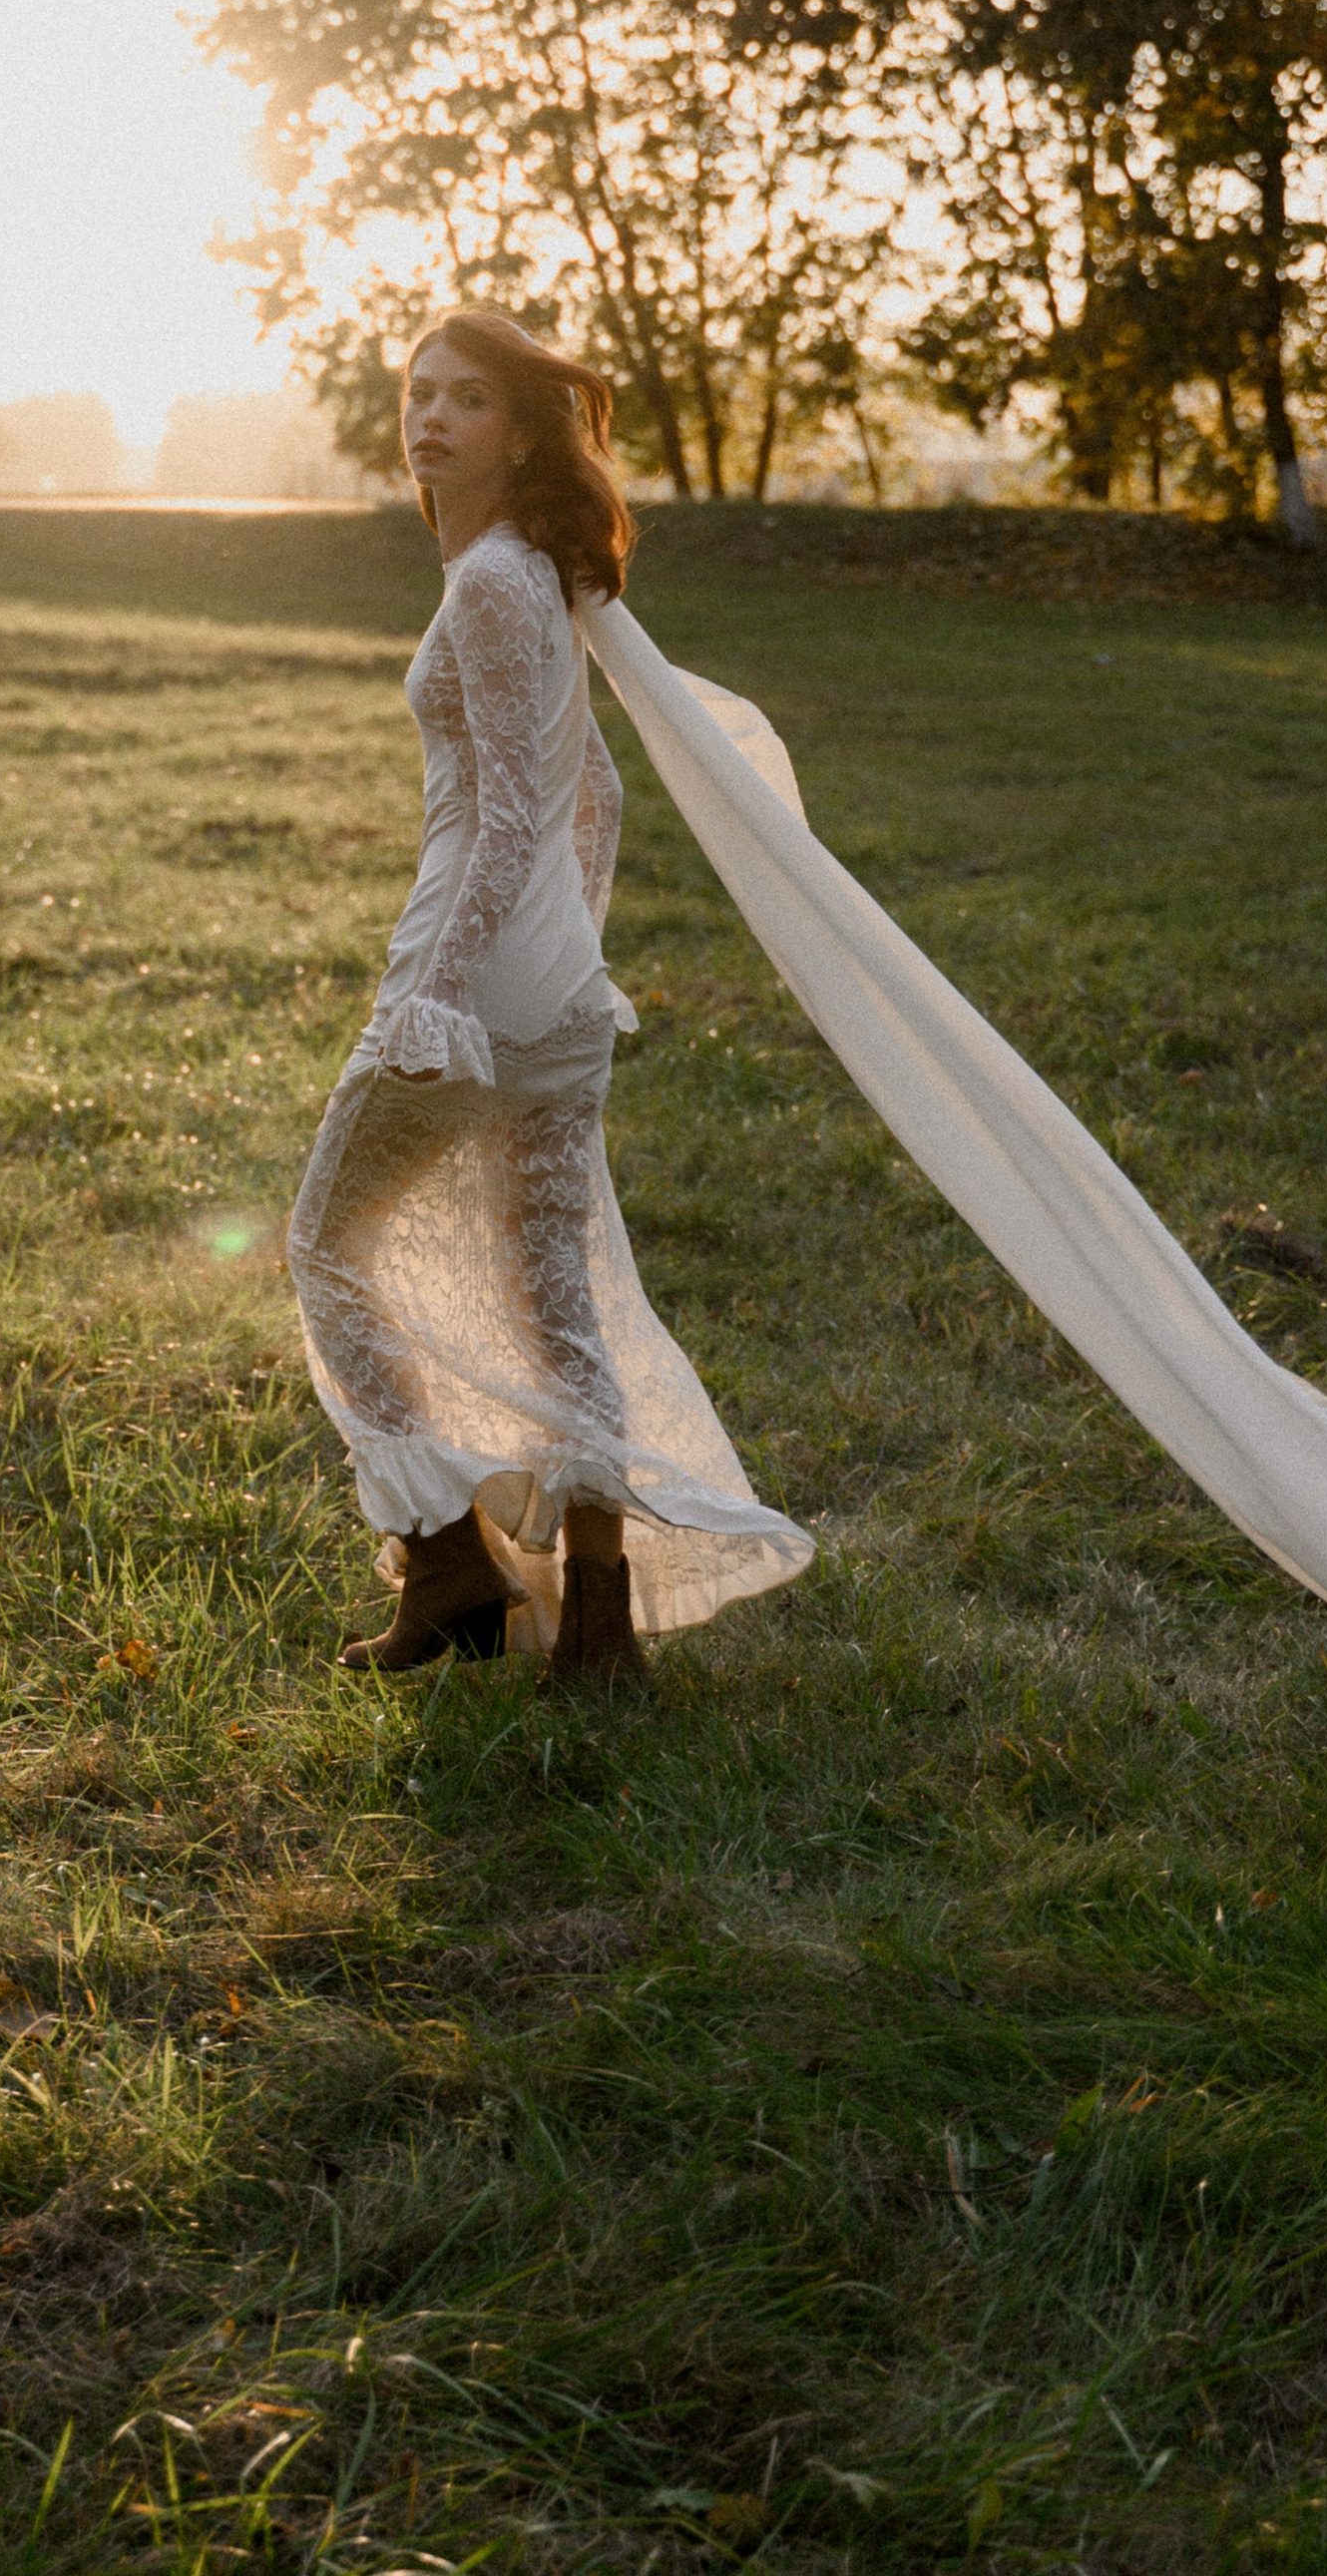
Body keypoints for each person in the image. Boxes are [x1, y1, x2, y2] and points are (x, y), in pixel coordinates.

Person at [286, 309, 813, 1688]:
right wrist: (569, 949)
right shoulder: (525, 577)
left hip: (472, 980)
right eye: (420, 393)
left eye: (467, 400)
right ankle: (595, 1624)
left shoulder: (494, 585)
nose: (432, 418)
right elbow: (600, 790)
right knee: (552, 1295)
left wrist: (445, 992)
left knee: (325, 1248)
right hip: (555, 987)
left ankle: (451, 1568)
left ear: (521, 434)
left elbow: (517, 806)